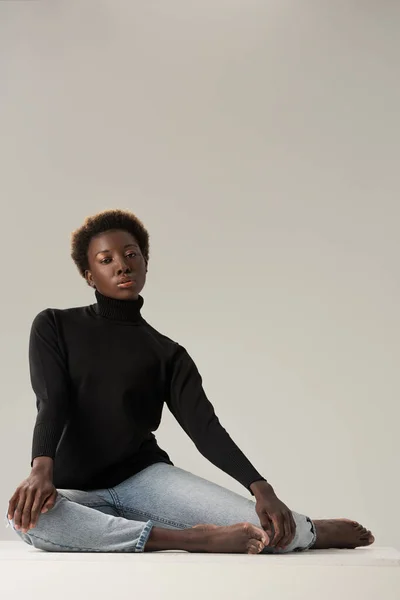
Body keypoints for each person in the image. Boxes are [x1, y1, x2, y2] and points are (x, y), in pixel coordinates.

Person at [5, 209, 374, 554]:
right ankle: (192, 539)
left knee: (271, 530)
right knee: (31, 519)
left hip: (145, 482)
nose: (122, 266)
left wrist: (261, 488)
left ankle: (315, 530)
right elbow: (52, 401)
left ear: (146, 262)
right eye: (106, 260)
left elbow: (206, 429)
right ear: (89, 275)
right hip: (74, 489)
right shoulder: (54, 325)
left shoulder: (168, 353)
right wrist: (41, 470)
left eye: (131, 254)